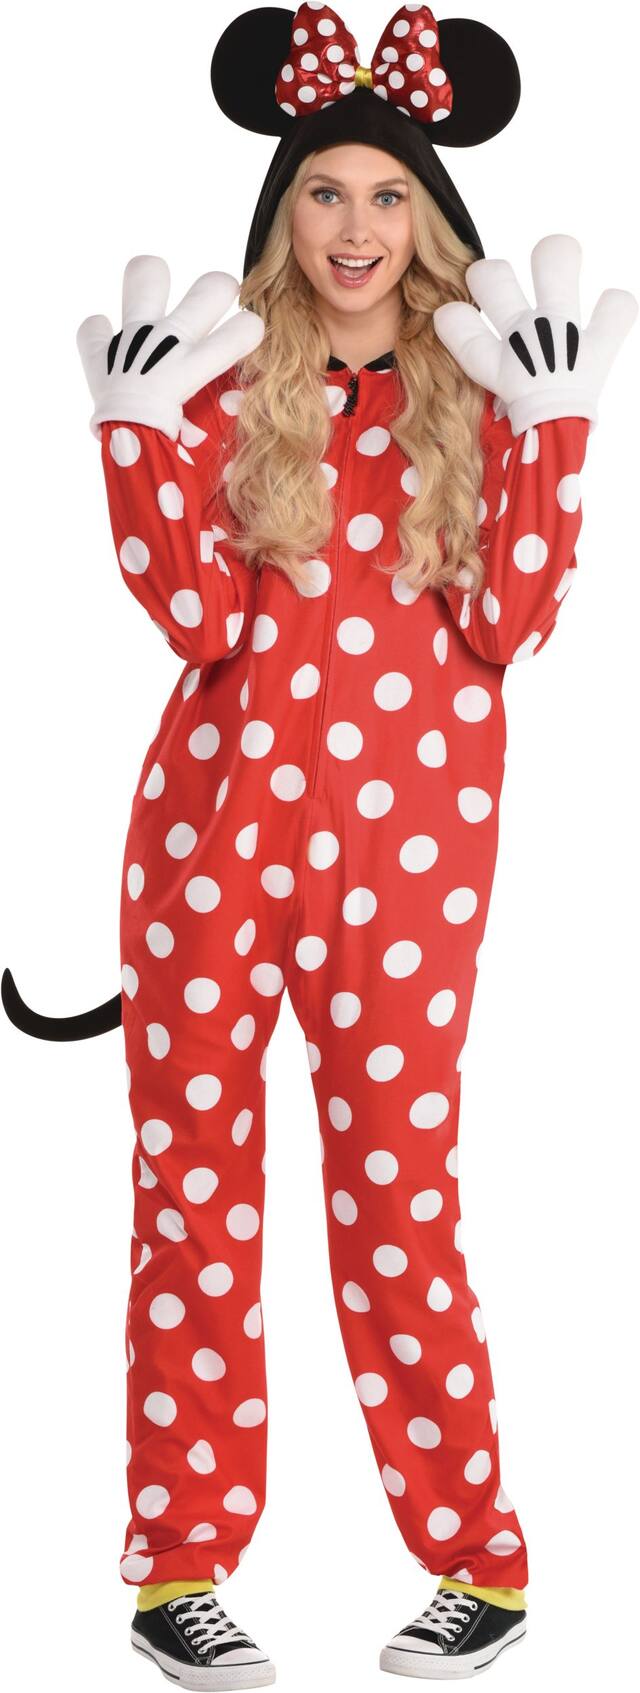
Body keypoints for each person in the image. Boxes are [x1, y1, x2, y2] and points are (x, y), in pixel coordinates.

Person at [2, 4, 637, 1687]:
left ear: (429, 214)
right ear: (283, 211)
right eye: (325, 194)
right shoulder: (224, 379)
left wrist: (558, 440)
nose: (356, 229)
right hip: (210, 848)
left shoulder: (488, 386)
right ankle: (178, 1566)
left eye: (387, 195)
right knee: (191, 1205)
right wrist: (134, 445)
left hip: (409, 868)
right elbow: (198, 623)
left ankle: (479, 1560)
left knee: (398, 1202)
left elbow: (509, 628)